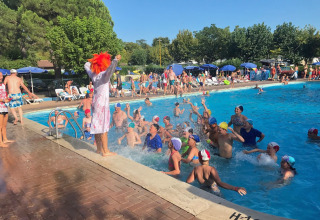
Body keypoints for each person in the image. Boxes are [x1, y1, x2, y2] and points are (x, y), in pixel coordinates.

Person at [84, 52, 121, 156]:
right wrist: (115, 60)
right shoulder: (103, 76)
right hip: (102, 105)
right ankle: (105, 151)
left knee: (96, 125)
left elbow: (86, 65)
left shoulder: (94, 75)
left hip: (95, 104)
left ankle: (99, 149)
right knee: (104, 127)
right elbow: (110, 70)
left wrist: (94, 61)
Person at [0, 72, 14, 147]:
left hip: (4, 107)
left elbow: (4, 95)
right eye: (0, 76)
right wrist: (2, 100)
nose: (1, 77)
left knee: (4, 125)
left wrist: (7, 99)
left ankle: (5, 139)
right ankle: (0, 142)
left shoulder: (3, 85)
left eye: (2, 76)